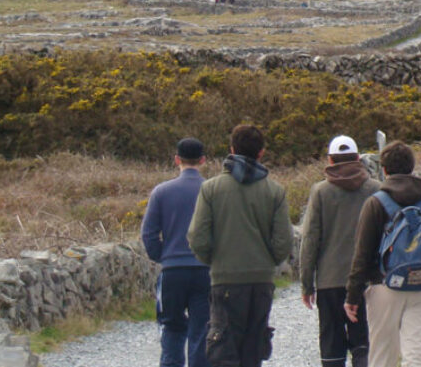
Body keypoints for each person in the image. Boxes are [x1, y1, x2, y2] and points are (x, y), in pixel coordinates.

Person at [344, 142, 421, 367]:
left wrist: (352, 296)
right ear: (412, 168)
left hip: (383, 287)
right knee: (417, 358)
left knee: (382, 358)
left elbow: (362, 255)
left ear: (384, 170)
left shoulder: (375, 203)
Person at [188, 125, 292, 367]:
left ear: (232, 150)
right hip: (261, 282)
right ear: (261, 153)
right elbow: (283, 242)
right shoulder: (275, 191)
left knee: (223, 351)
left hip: (225, 280)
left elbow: (197, 237)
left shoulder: (211, 189)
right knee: (253, 351)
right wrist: (268, 262)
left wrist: (215, 260)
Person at [300, 135, 380, 367]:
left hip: (329, 281)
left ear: (330, 160)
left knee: (332, 347)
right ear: (358, 158)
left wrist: (306, 284)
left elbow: (310, 240)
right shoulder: (375, 189)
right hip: (368, 281)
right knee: (364, 344)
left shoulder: (320, 192)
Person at [141, 137, 211, 367]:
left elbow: (149, 234)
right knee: (202, 330)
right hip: (204, 270)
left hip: (172, 270)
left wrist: (163, 255)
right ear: (203, 160)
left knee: (171, 327)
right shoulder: (211, 191)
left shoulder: (161, 192)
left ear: (176, 159)